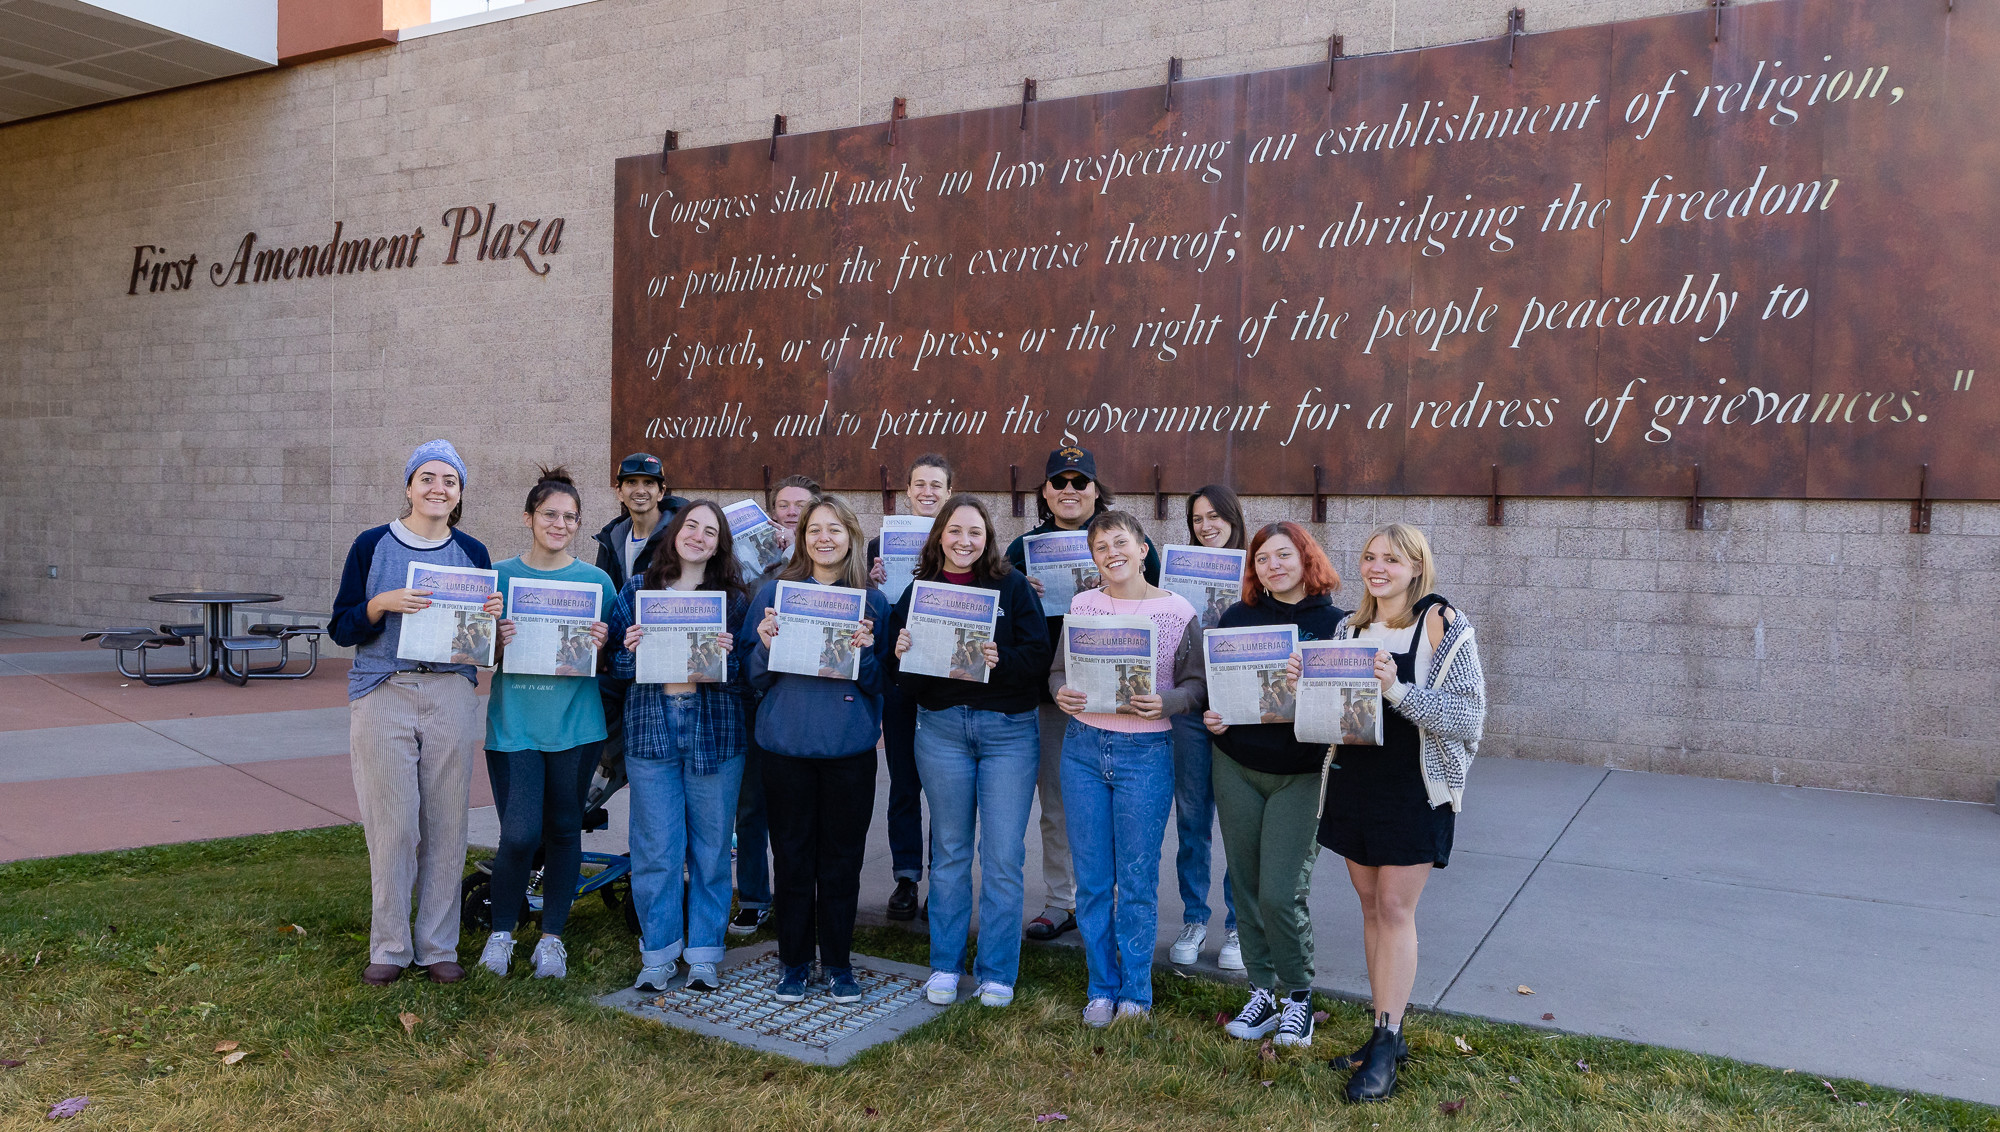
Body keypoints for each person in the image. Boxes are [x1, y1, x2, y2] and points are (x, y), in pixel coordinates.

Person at [1320, 523, 1486, 1102]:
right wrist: (1303, 688)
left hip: (1414, 789)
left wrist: (1397, 690)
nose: (1377, 567)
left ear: (1417, 567)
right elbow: (1331, 717)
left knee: (1395, 909)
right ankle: (1380, 1029)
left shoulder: (1442, 622)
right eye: (1369, 557)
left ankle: (1389, 1041)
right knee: (1370, 907)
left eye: (1392, 559)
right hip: (1354, 785)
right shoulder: (1348, 627)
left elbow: (1469, 720)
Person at [330, 440, 500, 986]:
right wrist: (381, 604)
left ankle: (437, 945)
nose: (437, 488)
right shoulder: (372, 545)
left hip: (450, 690)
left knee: (447, 822)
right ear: (408, 486)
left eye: (449, 481)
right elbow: (342, 627)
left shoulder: (472, 552)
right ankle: (390, 945)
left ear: (459, 494)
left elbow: (484, 645)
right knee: (394, 825)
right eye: (427, 478)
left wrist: (491, 620)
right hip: (383, 688)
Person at [886, 494, 1050, 1009]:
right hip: (941, 732)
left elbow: (1039, 657)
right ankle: (944, 966)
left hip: (1007, 733)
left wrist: (1001, 661)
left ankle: (997, 971)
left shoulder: (1012, 586)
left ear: (988, 538)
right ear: (939, 536)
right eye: (954, 531)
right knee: (951, 852)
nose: (964, 541)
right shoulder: (917, 592)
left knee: (1002, 856)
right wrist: (901, 653)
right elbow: (897, 679)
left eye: (975, 532)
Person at [1047, 510, 1203, 1026]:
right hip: (1084, 748)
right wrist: (1060, 692)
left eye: (1120, 542)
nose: (1111, 553)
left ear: (1142, 547)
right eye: (1100, 547)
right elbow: (1058, 670)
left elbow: (1197, 684)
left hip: (1145, 754)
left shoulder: (1179, 611)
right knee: (1092, 879)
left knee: (1135, 878)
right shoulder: (1082, 604)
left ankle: (1136, 990)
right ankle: (1100, 987)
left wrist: (1170, 701)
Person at [1003, 446, 1160, 943]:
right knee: (1058, 805)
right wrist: (1019, 591)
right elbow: (1001, 621)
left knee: (1117, 807)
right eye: (1059, 482)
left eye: (1080, 481)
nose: (1069, 490)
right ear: (1045, 492)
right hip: (1053, 695)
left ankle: (1108, 901)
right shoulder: (1021, 549)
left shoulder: (1133, 544)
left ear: (1096, 489)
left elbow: (1155, 610)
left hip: (1118, 697)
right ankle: (1060, 901)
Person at [1204, 521, 1346, 1046]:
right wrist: (1212, 717)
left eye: (1283, 555)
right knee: (1246, 884)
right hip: (1236, 764)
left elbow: (1346, 708)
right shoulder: (1237, 618)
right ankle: (1263, 991)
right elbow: (1215, 692)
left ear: (1306, 559)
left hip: (1302, 774)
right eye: (1262, 558)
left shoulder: (1337, 624)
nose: (1273, 566)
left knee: (1282, 892)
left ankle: (1299, 996)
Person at [746, 495, 892, 1003]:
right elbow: (752, 677)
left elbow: (882, 685)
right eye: (814, 530)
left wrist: (868, 655)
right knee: (790, 859)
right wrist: (765, 643)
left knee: (840, 862)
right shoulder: (773, 593)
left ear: (851, 537)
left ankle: (837, 962)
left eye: (835, 529)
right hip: (786, 747)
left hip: (848, 751)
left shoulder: (873, 603)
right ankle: (792, 961)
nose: (824, 538)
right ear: (802, 538)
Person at [604, 500, 754, 992]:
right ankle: (659, 952)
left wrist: (727, 661)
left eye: (711, 532)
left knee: (711, 851)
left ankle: (706, 952)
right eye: (692, 525)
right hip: (652, 728)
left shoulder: (734, 600)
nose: (699, 536)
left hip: (716, 730)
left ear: (719, 546)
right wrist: (628, 651)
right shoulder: (638, 590)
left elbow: (748, 679)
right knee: (656, 849)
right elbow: (615, 670)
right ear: (674, 532)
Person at [477, 467, 614, 980]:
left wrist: (604, 643)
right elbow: (474, 652)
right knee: (517, 835)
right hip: (514, 726)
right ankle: (501, 934)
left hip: (577, 727)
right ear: (529, 518)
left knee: (562, 831)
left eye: (570, 517)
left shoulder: (596, 581)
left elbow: (618, 659)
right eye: (549, 514)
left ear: (578, 524)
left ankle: (551, 939)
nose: (559, 524)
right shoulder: (499, 575)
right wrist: (494, 634)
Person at [728, 472, 820, 936]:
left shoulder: (825, 561)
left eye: (800, 505)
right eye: (782, 504)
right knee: (750, 806)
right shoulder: (745, 559)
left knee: (798, 809)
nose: (790, 511)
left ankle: (800, 896)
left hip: (798, 697)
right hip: (748, 690)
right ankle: (754, 896)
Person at [867, 453, 953, 921]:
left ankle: (944, 876)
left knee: (946, 786)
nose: (927, 492)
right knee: (904, 782)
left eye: (936, 485)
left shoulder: (961, 539)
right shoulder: (881, 543)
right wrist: (872, 581)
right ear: (907, 490)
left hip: (945, 680)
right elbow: (868, 606)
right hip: (900, 679)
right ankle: (906, 877)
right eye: (919, 483)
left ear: (948, 492)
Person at [1167, 484, 1246, 971]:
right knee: (1193, 822)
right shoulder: (1174, 578)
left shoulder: (1256, 572)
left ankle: (1238, 926)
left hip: (1240, 716)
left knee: (1239, 827)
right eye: (1198, 519)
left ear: (1234, 518)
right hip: (1192, 713)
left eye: (1215, 516)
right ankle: (1196, 918)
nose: (1207, 526)